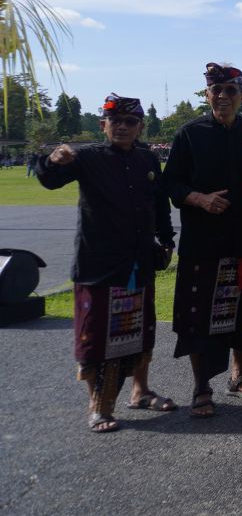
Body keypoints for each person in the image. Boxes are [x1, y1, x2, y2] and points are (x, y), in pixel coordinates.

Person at [37, 94, 176, 432]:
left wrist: (167, 240)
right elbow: (49, 180)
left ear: (141, 126)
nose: (123, 127)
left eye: (131, 122)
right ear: (104, 125)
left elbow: (158, 206)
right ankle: (97, 405)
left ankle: (140, 392)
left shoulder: (147, 160)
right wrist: (54, 160)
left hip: (137, 260)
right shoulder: (86, 158)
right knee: (95, 335)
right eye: (116, 121)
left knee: (141, 328)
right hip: (98, 264)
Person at [164, 62, 242, 419]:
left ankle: (239, 376)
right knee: (198, 315)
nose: (223, 97)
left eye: (230, 91)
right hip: (202, 242)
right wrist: (199, 198)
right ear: (207, 94)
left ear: (241, 96)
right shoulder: (189, 134)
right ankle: (201, 386)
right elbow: (171, 184)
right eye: (216, 91)